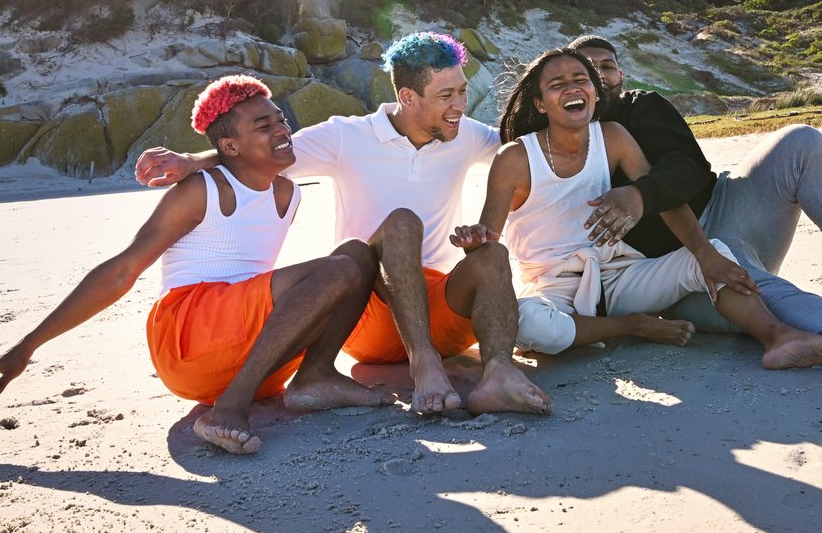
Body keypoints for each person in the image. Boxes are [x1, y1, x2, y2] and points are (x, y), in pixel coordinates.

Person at [0, 75, 393, 455]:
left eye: (280, 118)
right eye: (265, 125)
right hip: (189, 341)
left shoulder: (289, 192)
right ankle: (228, 410)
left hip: (254, 358)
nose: (282, 129)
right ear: (229, 145)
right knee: (337, 268)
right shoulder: (199, 190)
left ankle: (313, 377)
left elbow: (274, 281)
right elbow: (122, 271)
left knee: (356, 254)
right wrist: (27, 346)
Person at [135, 33, 550, 417]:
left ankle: (498, 375)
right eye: (447, 94)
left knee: (491, 255)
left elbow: (530, 151)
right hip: (370, 314)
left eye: (462, 91)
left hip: (438, 305)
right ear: (407, 96)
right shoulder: (346, 137)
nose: (461, 103)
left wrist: (609, 138)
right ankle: (423, 363)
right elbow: (264, 152)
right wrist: (194, 161)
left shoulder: (464, 135)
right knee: (402, 223)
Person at [564, 35, 822, 389]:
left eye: (608, 65)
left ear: (621, 74)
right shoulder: (564, 139)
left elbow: (690, 166)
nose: (600, 75)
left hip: (727, 206)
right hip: (672, 265)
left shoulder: (643, 105)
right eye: (588, 69)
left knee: (801, 141)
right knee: (746, 284)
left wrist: (639, 193)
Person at [481, 48, 822, 371]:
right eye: (557, 84)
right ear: (540, 103)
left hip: (618, 273)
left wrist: (704, 254)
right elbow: (489, 243)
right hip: (553, 285)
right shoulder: (516, 157)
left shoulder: (612, 137)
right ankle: (634, 326)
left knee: (714, 253)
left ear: (595, 93)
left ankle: (781, 338)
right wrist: (473, 241)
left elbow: (666, 202)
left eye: (581, 79)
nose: (572, 88)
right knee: (528, 323)